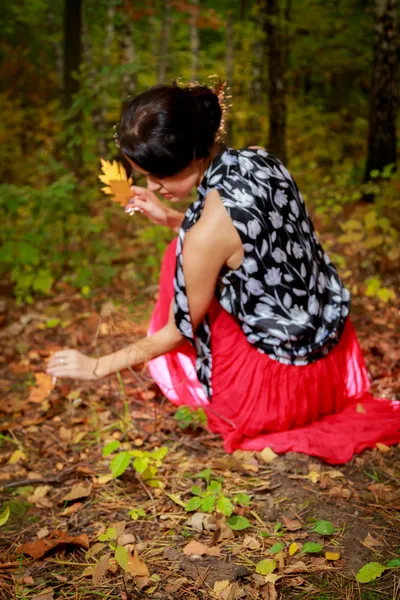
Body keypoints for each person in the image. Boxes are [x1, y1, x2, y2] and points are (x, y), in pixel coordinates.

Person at [47, 81, 400, 464]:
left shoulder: (204, 237)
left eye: (160, 176)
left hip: (275, 386)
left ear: (195, 154)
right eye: (145, 175)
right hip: (326, 348)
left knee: (179, 256)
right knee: (184, 248)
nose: (151, 186)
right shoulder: (261, 160)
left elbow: (178, 329)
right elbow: (245, 242)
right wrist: (173, 219)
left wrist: (97, 366)